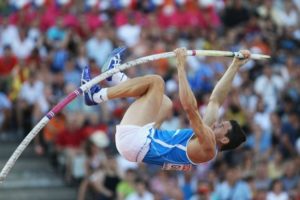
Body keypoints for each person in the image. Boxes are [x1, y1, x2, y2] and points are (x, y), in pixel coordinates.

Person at [81, 47, 249, 170]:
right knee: (165, 102)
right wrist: (235, 66)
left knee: (156, 82)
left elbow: (190, 108)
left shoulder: (208, 146)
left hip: (136, 142)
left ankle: (96, 95)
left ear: (224, 140)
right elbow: (215, 101)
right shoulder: (208, 139)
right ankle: (115, 76)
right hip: (142, 143)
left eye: (221, 126)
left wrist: (180, 66)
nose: (216, 124)